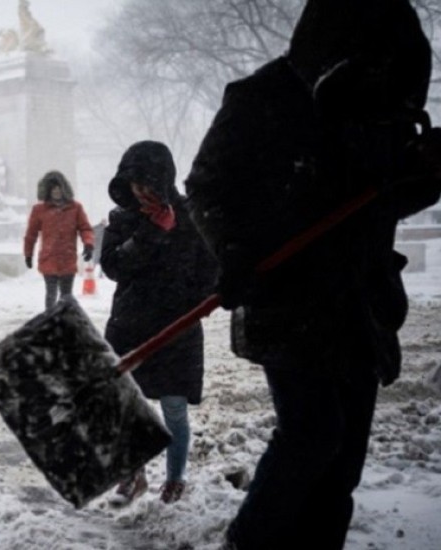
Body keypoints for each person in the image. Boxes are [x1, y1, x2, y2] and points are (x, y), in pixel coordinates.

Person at [184, 1, 441, 548]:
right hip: (286, 300)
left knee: (343, 460)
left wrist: (427, 173)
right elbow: (207, 185)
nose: (377, 76)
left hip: (361, 303)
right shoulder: (260, 100)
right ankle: (247, 543)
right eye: (368, 64)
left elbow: (383, 201)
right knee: (313, 433)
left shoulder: (381, 105)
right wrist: (234, 252)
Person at [100, 141, 216, 506]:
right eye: (134, 186)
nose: (141, 193)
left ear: (163, 181)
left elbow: (208, 270)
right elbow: (114, 266)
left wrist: (190, 302)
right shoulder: (122, 220)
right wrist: (151, 231)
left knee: (174, 410)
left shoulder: (191, 218)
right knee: (127, 408)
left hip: (176, 332)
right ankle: (133, 475)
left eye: (147, 185)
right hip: (129, 327)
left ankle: (174, 479)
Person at [24, 170, 94, 310]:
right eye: (53, 189)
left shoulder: (76, 208)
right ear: (47, 191)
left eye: (58, 188)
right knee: (51, 293)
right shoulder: (39, 210)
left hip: (68, 258)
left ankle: (65, 321)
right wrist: (28, 254)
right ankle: (50, 320)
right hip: (49, 258)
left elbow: (85, 228)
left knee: (66, 295)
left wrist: (88, 244)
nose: (56, 191)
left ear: (64, 189)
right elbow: (31, 234)